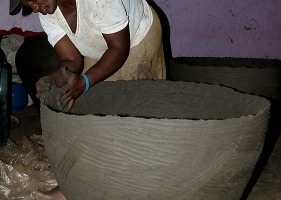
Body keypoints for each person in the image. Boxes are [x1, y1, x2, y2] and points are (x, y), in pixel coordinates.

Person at [9, 0, 166, 199]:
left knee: (129, 123)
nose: (33, 7)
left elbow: (118, 49)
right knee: (86, 119)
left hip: (135, 40)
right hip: (100, 48)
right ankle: (74, 188)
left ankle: (129, 187)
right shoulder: (48, 14)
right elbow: (71, 60)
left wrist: (84, 81)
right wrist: (55, 78)